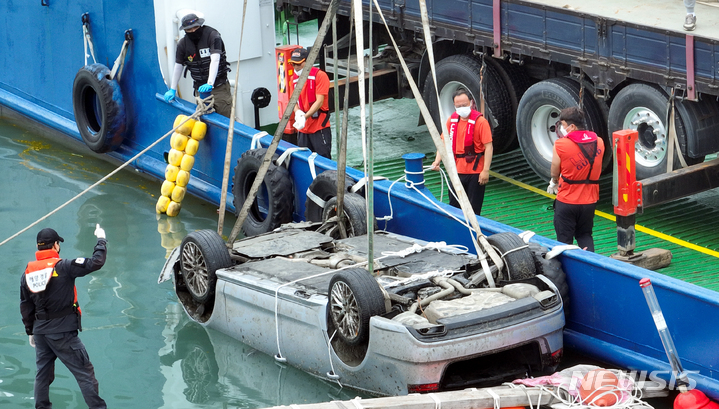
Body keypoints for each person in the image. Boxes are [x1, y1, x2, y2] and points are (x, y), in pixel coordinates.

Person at [20, 226, 108, 409]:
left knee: (42, 375)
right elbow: (96, 262)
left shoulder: (27, 273)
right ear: (56, 245)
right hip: (63, 334)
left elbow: (25, 305)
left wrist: (30, 331)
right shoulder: (65, 266)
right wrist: (101, 240)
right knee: (84, 373)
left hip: (40, 333)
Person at [547, 107, 604, 252]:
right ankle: (589, 267)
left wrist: (553, 182)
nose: (562, 129)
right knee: (585, 235)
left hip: (567, 201)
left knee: (564, 242)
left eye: (564, 125)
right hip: (590, 201)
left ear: (572, 126)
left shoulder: (561, 144)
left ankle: (568, 272)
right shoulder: (599, 142)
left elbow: (555, 170)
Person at [430, 88, 493, 216]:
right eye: (458, 106)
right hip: (456, 171)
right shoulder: (451, 122)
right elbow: (443, 143)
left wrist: (485, 170)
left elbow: (489, 147)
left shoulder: (481, 122)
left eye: (464, 105)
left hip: (475, 172)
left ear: (471, 102)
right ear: (454, 105)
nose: (461, 108)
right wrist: (437, 161)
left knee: (474, 208)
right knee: (454, 206)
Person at [163, 13, 233, 118]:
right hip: (199, 89)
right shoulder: (183, 44)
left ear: (200, 25)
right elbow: (178, 65)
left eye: (195, 27)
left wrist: (210, 83)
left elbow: (215, 59)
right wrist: (173, 89)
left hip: (219, 88)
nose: (193, 31)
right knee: (204, 121)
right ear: (185, 30)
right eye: (189, 29)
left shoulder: (213, 36)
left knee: (225, 119)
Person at [290, 47, 332, 159]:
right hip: (303, 129)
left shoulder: (320, 76)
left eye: (298, 64)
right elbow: (293, 100)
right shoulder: (293, 79)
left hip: (319, 127)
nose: (295, 67)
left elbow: (319, 101)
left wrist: (305, 116)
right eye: (293, 64)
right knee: (303, 160)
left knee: (324, 159)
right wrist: (298, 112)